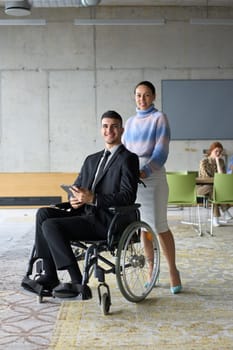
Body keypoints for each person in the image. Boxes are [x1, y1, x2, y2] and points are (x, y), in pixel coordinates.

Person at [21, 110, 139, 298]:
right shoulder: (91, 159)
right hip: (83, 214)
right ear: (101, 130)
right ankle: (50, 275)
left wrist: (93, 199)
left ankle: (77, 282)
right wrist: (74, 199)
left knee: (51, 225)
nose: (109, 130)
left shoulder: (128, 159)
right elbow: (78, 187)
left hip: (106, 220)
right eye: (105, 126)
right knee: (43, 214)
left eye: (114, 126)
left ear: (122, 130)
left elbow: (128, 196)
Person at [122, 81, 182, 294]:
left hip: (153, 177)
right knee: (143, 226)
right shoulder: (128, 123)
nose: (142, 99)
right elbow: (124, 152)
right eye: (138, 95)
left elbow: (161, 152)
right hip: (132, 178)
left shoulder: (159, 118)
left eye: (146, 95)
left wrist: (144, 171)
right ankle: (151, 269)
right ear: (134, 97)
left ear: (153, 96)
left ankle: (173, 271)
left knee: (159, 225)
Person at [197, 141, 232, 227]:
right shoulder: (204, 161)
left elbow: (222, 177)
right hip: (203, 189)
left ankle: (215, 219)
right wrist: (217, 180)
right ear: (211, 150)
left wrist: (217, 161)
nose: (218, 153)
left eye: (220, 152)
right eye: (216, 151)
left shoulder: (221, 162)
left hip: (214, 190)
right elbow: (206, 178)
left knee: (214, 192)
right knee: (214, 188)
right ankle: (225, 211)